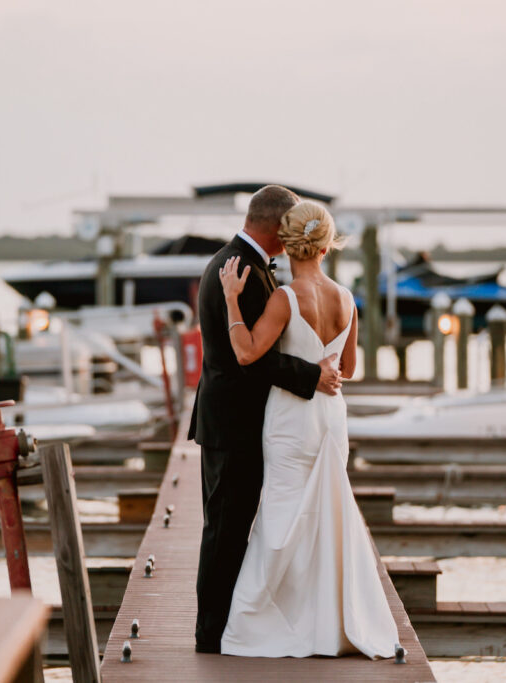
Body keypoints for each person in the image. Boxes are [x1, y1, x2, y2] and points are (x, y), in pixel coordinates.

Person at [217, 200, 399, 658]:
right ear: (325, 245)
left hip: (291, 419)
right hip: (330, 416)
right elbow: (350, 368)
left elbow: (245, 352)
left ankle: (266, 621)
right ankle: (331, 622)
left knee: (281, 515)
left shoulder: (284, 298)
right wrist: (327, 363)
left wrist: (233, 301)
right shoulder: (346, 299)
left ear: (289, 242)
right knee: (327, 514)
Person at [188, 185, 343, 654]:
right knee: (227, 528)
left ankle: (227, 624)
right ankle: (211, 634)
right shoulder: (244, 272)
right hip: (233, 423)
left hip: (230, 420)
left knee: (231, 525)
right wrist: (311, 374)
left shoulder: (235, 263)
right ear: (278, 227)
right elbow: (248, 359)